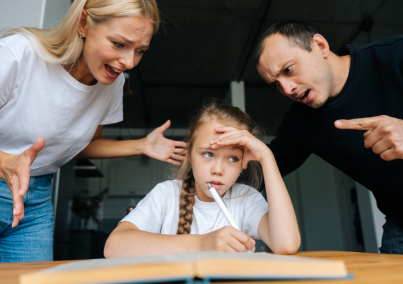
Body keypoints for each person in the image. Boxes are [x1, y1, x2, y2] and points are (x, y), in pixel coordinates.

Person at [0, 0, 187, 263]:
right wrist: (5, 161)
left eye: (140, 50)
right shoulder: (20, 53)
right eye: (119, 44)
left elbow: (82, 144)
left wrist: (141, 145)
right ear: (84, 23)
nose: (129, 61)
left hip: (37, 196)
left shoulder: (112, 83)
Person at [252, 21, 403, 254]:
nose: (287, 89)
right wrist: (198, 175)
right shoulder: (300, 124)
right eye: (276, 84)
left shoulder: (396, 55)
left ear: (320, 46)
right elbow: (257, 172)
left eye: (288, 70)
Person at [104, 100, 300, 257]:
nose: (218, 170)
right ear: (190, 154)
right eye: (208, 154)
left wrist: (267, 157)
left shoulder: (245, 198)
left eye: (233, 158)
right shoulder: (167, 194)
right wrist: (201, 243)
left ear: (244, 162)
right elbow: (114, 247)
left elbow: (287, 245)